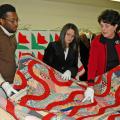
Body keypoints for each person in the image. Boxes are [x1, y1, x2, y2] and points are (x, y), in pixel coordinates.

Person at [82, 9, 120, 103]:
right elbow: (92, 64)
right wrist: (90, 85)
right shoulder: (97, 42)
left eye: (107, 26)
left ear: (115, 26)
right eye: (102, 26)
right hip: (103, 80)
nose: (103, 29)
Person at [0, 4, 19, 97]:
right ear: (2, 21)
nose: (16, 23)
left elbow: (10, 56)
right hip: (2, 86)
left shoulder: (12, 35)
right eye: (12, 21)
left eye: (17, 20)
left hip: (11, 83)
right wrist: (3, 84)